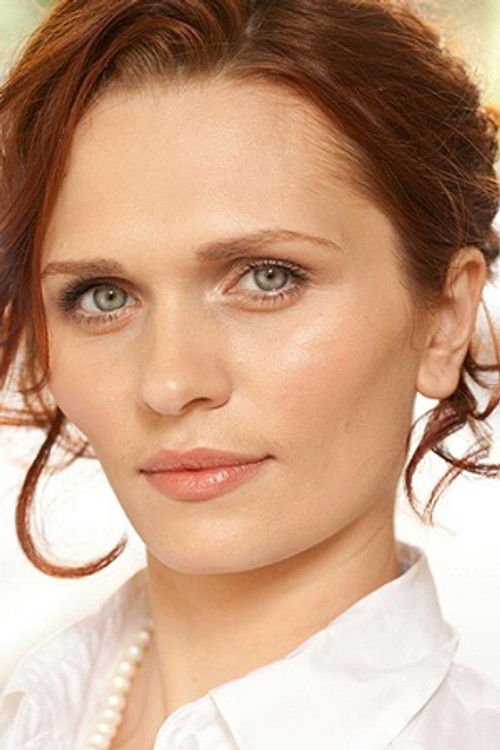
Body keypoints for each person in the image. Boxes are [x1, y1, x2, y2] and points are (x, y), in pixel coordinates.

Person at [0, 0, 499, 747]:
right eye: (102, 297)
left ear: (446, 318)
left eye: (268, 278)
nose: (170, 383)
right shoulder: (31, 707)